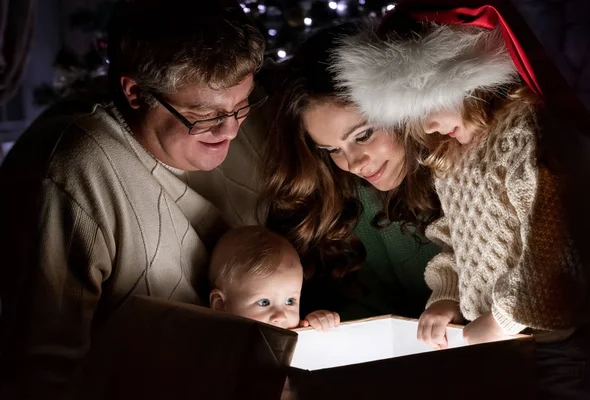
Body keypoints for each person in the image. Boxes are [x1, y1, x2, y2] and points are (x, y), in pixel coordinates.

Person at [0, 0, 269, 397]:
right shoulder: (73, 170)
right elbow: (45, 368)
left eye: (242, 106)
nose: (229, 130)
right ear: (137, 93)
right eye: (205, 115)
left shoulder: (248, 125)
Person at [332, 6, 590, 398]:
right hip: (496, 341)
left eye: (426, 108)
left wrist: (504, 320)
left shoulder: (526, 132)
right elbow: (457, 239)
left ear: (462, 80)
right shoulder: (451, 156)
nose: (426, 128)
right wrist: (447, 295)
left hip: (554, 343)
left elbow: (553, 246)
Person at [261, 24, 441, 321]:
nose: (354, 164)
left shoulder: (464, 176)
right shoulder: (347, 201)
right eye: (332, 150)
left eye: (363, 135)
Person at [208, 225, 340, 331]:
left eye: (290, 301)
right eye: (264, 302)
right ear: (221, 305)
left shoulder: (294, 331)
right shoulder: (220, 342)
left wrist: (316, 326)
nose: (281, 316)